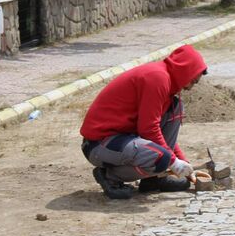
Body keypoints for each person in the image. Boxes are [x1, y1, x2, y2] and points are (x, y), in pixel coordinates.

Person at [80, 44, 207, 199]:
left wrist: (185, 165)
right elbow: (149, 129)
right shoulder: (158, 78)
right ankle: (110, 176)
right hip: (100, 144)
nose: (191, 87)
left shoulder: (167, 82)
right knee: (161, 158)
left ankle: (154, 180)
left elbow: (159, 133)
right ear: (185, 72)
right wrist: (173, 162)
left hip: (125, 136)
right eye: (193, 81)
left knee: (175, 108)